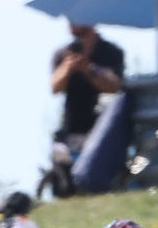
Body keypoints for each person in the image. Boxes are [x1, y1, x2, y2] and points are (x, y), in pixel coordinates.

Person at [51, 21, 125, 152]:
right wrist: (68, 66)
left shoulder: (111, 52)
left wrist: (88, 69)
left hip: (104, 132)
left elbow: (114, 87)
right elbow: (55, 87)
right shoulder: (64, 54)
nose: (71, 22)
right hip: (72, 133)